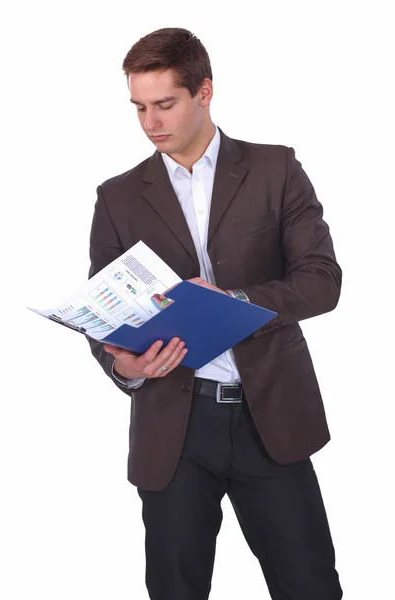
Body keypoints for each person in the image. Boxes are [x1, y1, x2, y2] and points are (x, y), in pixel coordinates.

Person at [86, 27, 343, 600]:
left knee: (310, 587)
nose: (151, 122)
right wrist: (126, 366)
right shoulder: (118, 197)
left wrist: (239, 304)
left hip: (269, 418)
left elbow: (322, 281)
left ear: (204, 91)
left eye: (165, 104)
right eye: (139, 107)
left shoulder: (275, 169)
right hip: (173, 429)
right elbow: (103, 315)